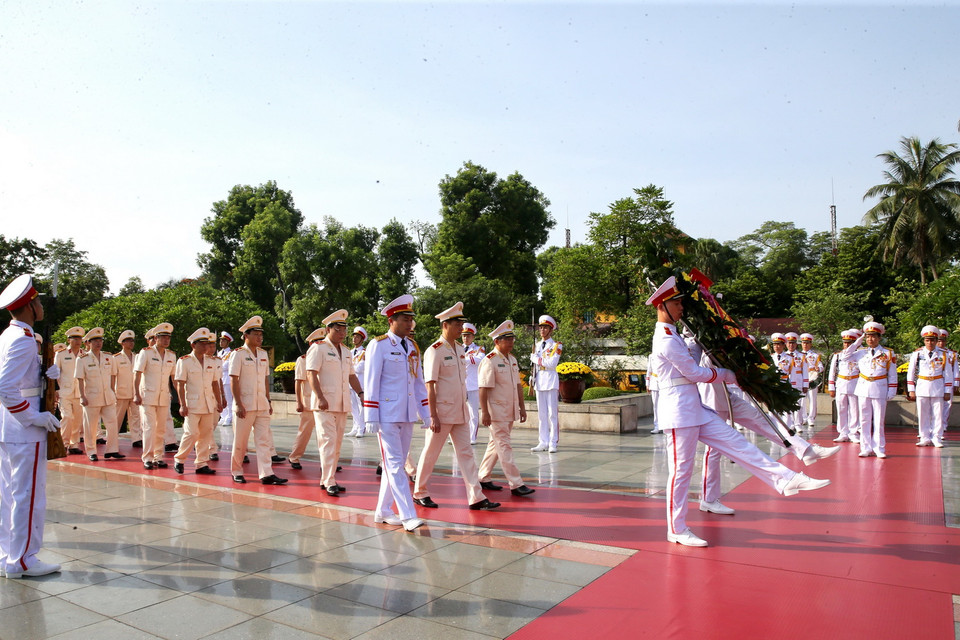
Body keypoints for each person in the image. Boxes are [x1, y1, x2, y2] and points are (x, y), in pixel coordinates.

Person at [646, 276, 830, 547]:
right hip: (678, 412)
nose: (682, 308)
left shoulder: (674, 334)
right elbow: (694, 372)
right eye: (677, 303)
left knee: (738, 444)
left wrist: (704, 338)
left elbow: (693, 357)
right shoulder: (665, 339)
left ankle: (787, 479)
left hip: (694, 407)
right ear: (663, 305)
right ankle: (677, 528)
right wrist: (728, 374)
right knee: (681, 471)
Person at [690, 336, 838, 515]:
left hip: (726, 395)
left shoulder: (710, 337)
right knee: (713, 452)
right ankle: (709, 499)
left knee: (762, 419)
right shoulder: (691, 341)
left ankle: (806, 451)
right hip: (711, 398)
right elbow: (696, 369)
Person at [0, 274, 62, 578]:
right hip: (23, 430)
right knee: (28, 495)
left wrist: (45, 372)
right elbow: (5, 386)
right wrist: (33, 417)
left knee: (9, 494)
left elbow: (17, 381)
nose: (40, 305)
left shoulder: (7, 335)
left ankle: (7, 554)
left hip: (6, 428)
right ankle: (23, 560)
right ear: (28, 307)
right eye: (36, 301)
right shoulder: (24, 341)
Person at [414, 302, 499, 511]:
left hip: (460, 410)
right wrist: (432, 415)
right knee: (431, 453)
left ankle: (476, 496)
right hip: (442, 412)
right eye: (457, 324)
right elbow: (430, 385)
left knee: (466, 453)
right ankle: (420, 491)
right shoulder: (434, 350)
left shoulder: (460, 348)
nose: (461, 328)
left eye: (462, 324)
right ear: (445, 325)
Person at [364, 294, 431, 531]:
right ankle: (408, 515)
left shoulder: (413, 347)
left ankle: (382, 510)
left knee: (397, 463)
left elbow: (418, 383)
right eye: (404, 319)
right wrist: (370, 415)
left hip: (407, 413)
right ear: (391, 320)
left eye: (411, 319)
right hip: (387, 414)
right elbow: (371, 381)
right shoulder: (379, 345)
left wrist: (426, 412)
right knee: (394, 465)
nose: (409, 323)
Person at [477, 320, 535, 496]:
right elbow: (483, 388)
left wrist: (522, 408)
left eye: (512, 339)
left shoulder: (512, 360)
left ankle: (483, 476)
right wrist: (485, 412)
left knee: (495, 444)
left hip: (509, 411)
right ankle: (516, 483)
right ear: (497, 341)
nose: (510, 343)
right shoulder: (490, 361)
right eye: (506, 339)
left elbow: (518, 386)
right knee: (504, 446)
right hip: (496, 412)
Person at [308, 311, 363, 496]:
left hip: (341, 403)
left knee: (337, 443)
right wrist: (320, 396)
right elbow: (311, 374)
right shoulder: (319, 348)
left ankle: (326, 478)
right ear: (328, 329)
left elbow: (351, 376)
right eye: (338, 330)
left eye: (344, 330)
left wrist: (361, 393)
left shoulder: (346, 351)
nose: (342, 333)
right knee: (328, 442)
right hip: (324, 404)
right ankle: (330, 480)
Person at [228, 316, 285, 485]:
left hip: (261, 404)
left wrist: (268, 400)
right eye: (256, 334)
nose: (260, 338)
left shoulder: (263, 354)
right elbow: (234, 380)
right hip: (245, 405)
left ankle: (266, 473)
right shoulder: (238, 354)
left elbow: (266, 379)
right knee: (241, 441)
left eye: (261, 335)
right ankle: (237, 471)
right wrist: (238, 403)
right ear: (246, 335)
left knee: (264, 440)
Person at [841, 321, 898, 458]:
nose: (870, 339)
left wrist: (892, 390)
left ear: (879, 338)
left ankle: (879, 448)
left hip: (879, 388)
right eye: (867, 337)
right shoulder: (860, 352)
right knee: (864, 420)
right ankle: (865, 447)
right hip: (863, 388)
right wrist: (857, 342)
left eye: (873, 336)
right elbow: (844, 357)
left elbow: (892, 373)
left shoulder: (887, 353)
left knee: (879, 420)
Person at [173, 328, 222, 475]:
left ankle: (201, 463)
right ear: (193, 345)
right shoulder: (185, 361)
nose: (206, 346)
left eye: (207, 343)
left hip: (208, 404)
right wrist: (182, 404)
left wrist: (219, 401)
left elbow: (215, 383)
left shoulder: (211, 361)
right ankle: (179, 459)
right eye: (202, 344)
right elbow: (180, 384)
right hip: (192, 404)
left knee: (206, 434)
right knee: (191, 433)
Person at [75, 327, 122, 461]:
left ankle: (112, 450)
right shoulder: (82, 359)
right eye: (94, 340)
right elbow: (79, 379)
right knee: (91, 426)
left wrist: (113, 390)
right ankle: (91, 451)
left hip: (107, 396)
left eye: (100, 340)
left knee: (112, 423)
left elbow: (113, 375)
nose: (98, 343)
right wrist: (82, 396)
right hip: (91, 397)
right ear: (88, 343)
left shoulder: (108, 357)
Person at [134, 323, 176, 469]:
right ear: (156, 338)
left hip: (164, 397)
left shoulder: (171, 355)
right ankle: (147, 457)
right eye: (163, 337)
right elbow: (137, 373)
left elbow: (174, 378)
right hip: (148, 396)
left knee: (161, 428)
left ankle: (158, 456)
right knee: (149, 427)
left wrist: (182, 398)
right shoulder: (146, 353)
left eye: (168, 337)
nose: (166, 340)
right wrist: (136, 393)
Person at [907, 325, 953, 448]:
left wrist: (948, 390)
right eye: (927, 340)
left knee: (938, 414)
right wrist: (911, 389)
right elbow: (911, 372)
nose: (930, 342)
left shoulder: (944, 354)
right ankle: (924, 437)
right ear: (924, 341)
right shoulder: (917, 354)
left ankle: (937, 437)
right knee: (923, 414)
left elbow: (948, 374)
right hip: (922, 386)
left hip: (937, 386)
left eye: (932, 340)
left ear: (936, 340)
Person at [287, 327, 324, 470]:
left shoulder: (327, 356)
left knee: (324, 435)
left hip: (322, 403)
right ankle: (294, 457)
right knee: (305, 432)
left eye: (322, 341)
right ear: (311, 344)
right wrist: (299, 401)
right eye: (317, 342)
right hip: (308, 402)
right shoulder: (303, 360)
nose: (320, 344)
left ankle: (326, 461)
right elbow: (298, 381)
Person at [530, 315, 562, 452]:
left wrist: (536, 360)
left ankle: (553, 442)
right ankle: (542, 441)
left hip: (550, 380)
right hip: (540, 381)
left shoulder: (556, 345)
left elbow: (552, 363)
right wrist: (532, 377)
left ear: (550, 330)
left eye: (545, 328)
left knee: (552, 414)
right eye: (541, 327)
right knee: (541, 414)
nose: (542, 330)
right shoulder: (536, 345)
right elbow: (535, 365)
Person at [54, 326, 84, 454]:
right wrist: (56, 390)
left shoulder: (85, 355)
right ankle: (63, 443)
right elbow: (55, 373)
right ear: (68, 340)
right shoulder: (61, 354)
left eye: (79, 338)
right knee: (67, 417)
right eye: (75, 338)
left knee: (77, 419)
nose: (78, 341)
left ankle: (74, 444)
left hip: (80, 391)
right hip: (65, 391)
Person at [828, 329, 862, 443]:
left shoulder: (859, 355)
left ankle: (853, 432)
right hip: (841, 384)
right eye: (845, 342)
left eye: (849, 343)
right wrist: (831, 387)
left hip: (855, 384)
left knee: (854, 410)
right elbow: (832, 372)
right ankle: (843, 432)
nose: (846, 345)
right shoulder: (838, 356)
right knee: (841, 409)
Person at [113, 330, 142, 448]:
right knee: (117, 417)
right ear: (122, 343)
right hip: (121, 391)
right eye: (128, 341)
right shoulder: (116, 358)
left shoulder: (137, 357)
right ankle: (112, 438)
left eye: (132, 341)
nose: (131, 343)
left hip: (135, 392)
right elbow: (113, 375)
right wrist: (112, 391)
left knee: (136, 416)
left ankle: (136, 438)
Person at [462, 323, 485, 444]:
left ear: (472, 337)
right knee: (458, 412)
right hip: (460, 384)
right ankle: (459, 436)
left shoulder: (478, 349)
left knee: (473, 413)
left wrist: (463, 359)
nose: (465, 338)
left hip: (473, 384)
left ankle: (472, 437)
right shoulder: (457, 347)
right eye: (464, 336)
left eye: (468, 336)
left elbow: (480, 359)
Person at [783, 332, 809, 431]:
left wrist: (805, 384)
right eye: (789, 343)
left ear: (796, 344)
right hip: (786, 383)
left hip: (798, 382)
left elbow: (805, 371)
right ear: (786, 344)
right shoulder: (783, 356)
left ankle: (798, 424)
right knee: (787, 404)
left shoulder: (801, 356)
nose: (791, 345)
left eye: (793, 343)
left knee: (798, 404)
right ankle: (789, 424)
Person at [347, 326, 368, 438]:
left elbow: (361, 367)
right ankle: (355, 427)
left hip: (360, 384)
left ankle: (361, 428)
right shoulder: (349, 352)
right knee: (353, 407)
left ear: (362, 339)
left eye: (357, 337)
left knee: (361, 407)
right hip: (350, 384)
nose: (354, 339)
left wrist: (350, 369)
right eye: (354, 336)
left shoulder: (365, 352)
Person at [800, 333, 824, 428]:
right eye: (803, 343)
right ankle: (803, 417)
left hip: (812, 378)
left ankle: (811, 418)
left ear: (810, 344)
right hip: (801, 378)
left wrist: (819, 369)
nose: (805, 345)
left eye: (807, 343)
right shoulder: (797, 355)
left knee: (812, 399)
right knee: (802, 399)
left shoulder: (815, 355)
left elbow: (821, 366)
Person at [938, 329, 958, 434]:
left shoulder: (952, 354)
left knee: (947, 404)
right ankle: (933, 425)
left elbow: (956, 370)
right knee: (934, 404)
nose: (941, 343)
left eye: (943, 341)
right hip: (936, 381)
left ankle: (944, 424)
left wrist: (956, 383)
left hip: (947, 382)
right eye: (939, 341)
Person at [646, 369, 661, 433]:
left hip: (666, 383)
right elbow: (649, 370)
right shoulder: (652, 358)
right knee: (656, 406)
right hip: (654, 383)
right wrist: (647, 383)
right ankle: (657, 426)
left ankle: (666, 425)